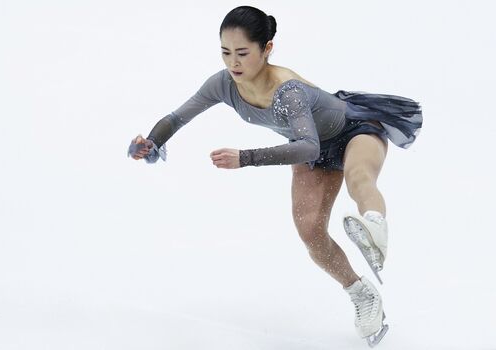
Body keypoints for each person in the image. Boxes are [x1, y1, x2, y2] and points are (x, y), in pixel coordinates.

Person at [128, 5, 422, 347]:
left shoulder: (288, 91)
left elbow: (309, 147)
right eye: (225, 53)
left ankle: (374, 226)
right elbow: (177, 117)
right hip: (309, 148)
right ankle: (362, 294)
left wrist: (246, 158)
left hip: (352, 130)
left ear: (267, 48)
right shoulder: (223, 84)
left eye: (242, 53)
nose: (233, 63)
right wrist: (151, 142)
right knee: (310, 232)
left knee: (359, 176)